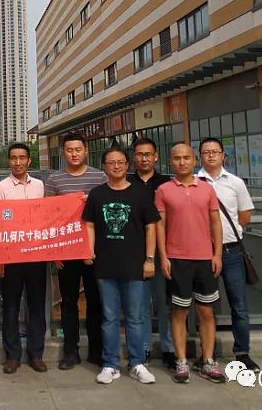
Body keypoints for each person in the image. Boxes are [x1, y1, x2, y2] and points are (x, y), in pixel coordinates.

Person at [83, 148, 159, 385]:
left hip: (135, 266)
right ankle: (110, 364)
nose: (116, 166)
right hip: (105, 265)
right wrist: (89, 250)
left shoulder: (141, 194)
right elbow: (90, 225)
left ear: (127, 165)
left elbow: (151, 227)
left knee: (135, 318)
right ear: (104, 166)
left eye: (120, 162)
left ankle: (137, 363)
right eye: (111, 162)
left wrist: (149, 259)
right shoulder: (97, 194)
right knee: (109, 318)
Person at [155, 143, 226, 384]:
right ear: (171, 161)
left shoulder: (207, 189)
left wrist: (217, 254)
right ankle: (181, 361)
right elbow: (160, 225)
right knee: (179, 312)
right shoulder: (163, 190)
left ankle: (208, 361)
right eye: (177, 158)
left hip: (205, 259)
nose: (182, 162)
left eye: (186, 157)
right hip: (177, 259)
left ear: (194, 160)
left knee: (206, 311)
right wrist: (163, 256)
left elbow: (215, 223)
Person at [195, 138, 259, 372]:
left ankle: (242, 353)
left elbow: (244, 215)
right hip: (203, 251)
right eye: (206, 152)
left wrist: (229, 233)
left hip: (231, 250)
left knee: (238, 305)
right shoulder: (194, 183)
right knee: (205, 307)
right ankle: (207, 354)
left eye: (215, 152)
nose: (211, 155)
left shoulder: (235, 183)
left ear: (223, 155)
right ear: (200, 156)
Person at [45, 133, 106, 370]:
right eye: (69, 150)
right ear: (63, 153)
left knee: (95, 301)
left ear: (86, 151)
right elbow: (49, 217)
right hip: (67, 251)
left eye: (78, 149)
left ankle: (97, 351)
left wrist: (94, 201)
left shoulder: (100, 177)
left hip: (94, 251)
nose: (74, 154)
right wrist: (55, 252)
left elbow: (106, 208)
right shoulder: (54, 180)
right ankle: (71, 351)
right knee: (68, 302)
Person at [0, 143, 47, 374]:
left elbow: (47, 217)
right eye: (13, 158)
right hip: (11, 256)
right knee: (11, 306)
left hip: (36, 255)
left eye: (22, 157)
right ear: (8, 161)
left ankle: (36, 354)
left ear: (29, 161)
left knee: (37, 306)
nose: (18, 162)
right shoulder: (0, 188)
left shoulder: (40, 186)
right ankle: (12, 355)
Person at [127, 138, 176, 371]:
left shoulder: (167, 183)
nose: (144, 159)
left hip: (164, 251)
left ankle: (169, 349)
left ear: (156, 157)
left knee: (165, 304)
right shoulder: (127, 183)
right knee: (140, 305)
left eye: (148, 154)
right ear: (133, 158)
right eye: (139, 155)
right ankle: (143, 348)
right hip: (135, 252)